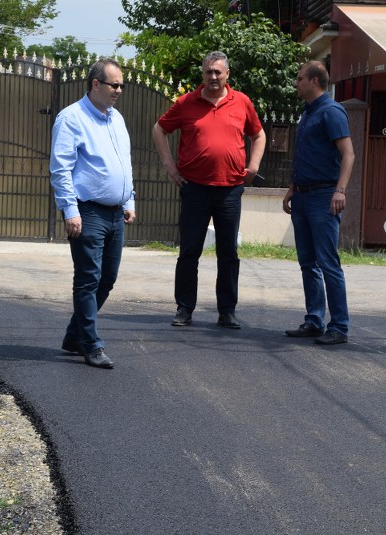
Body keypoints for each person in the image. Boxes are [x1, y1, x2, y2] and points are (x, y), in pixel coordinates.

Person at [152, 51, 266, 329]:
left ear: (227, 74)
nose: (213, 76)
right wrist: (169, 166)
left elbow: (258, 134)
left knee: (228, 253)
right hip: (194, 188)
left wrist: (253, 166)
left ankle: (227, 311)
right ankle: (184, 309)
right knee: (189, 251)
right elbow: (159, 129)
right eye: (208, 72)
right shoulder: (186, 102)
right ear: (202, 74)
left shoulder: (242, 102)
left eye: (218, 72)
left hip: (230, 190)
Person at [50, 58, 136, 369]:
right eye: (114, 84)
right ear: (95, 84)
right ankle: (91, 343)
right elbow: (61, 168)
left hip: (115, 213)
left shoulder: (117, 119)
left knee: (107, 278)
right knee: (88, 279)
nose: (119, 90)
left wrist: (129, 200)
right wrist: (69, 210)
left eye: (122, 85)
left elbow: (124, 162)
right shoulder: (71, 118)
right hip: (87, 211)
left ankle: (75, 336)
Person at [282, 60, 355, 345]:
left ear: (314, 81)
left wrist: (340, 191)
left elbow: (348, 154)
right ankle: (314, 320)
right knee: (307, 263)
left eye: (300, 78)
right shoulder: (307, 111)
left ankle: (339, 327)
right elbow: (306, 155)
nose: (296, 83)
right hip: (302, 195)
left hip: (324, 197)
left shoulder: (331, 111)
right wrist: (293, 188)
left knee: (327, 263)